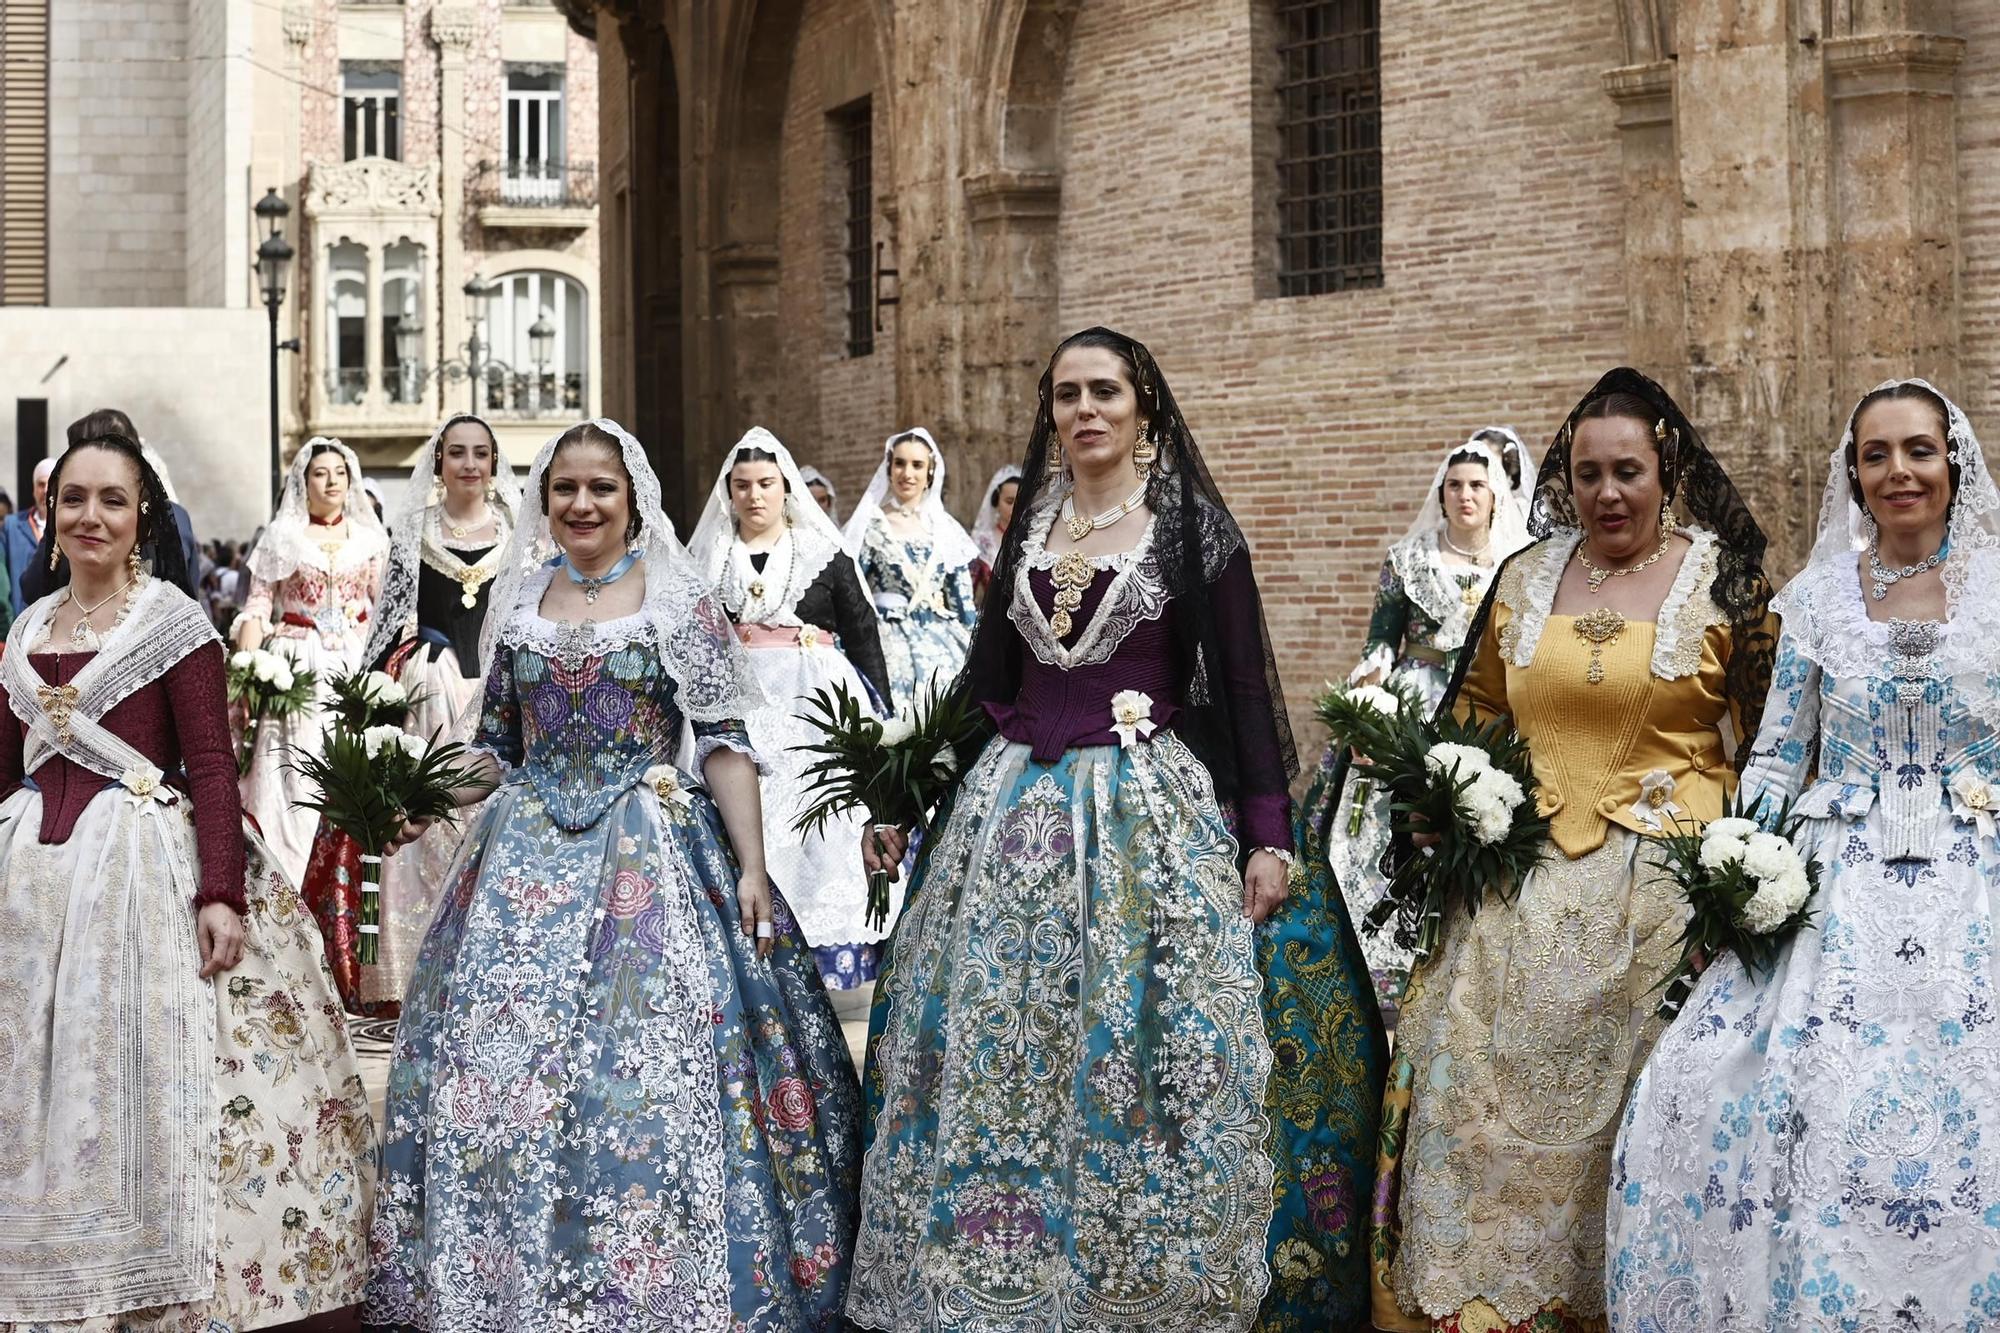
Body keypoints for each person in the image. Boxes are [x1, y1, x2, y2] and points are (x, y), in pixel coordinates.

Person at [848, 328, 1386, 1332]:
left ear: (1143, 406)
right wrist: (904, 793)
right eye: (1065, 395)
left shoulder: (1189, 533)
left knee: (1131, 1034)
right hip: (1007, 818)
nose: (1083, 410)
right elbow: (989, 683)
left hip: (1143, 813)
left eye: (1103, 391)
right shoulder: (1033, 523)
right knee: (1006, 1040)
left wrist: (1266, 834)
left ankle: (1131, 1264)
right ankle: (995, 1265)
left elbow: (1238, 684)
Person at [364, 419, 861, 1330]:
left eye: (600, 488)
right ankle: (506, 1270)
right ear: (543, 500)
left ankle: (652, 1273)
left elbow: (721, 741)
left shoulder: (676, 599)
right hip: (520, 859)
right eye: (564, 489)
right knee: (505, 1075)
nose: (582, 504)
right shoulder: (518, 602)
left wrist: (752, 867)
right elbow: (496, 750)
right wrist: (423, 794)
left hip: (650, 849)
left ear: (633, 499)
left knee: (639, 1070)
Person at [1369, 368, 1778, 1333]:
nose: (1607, 492)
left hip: (1660, 897)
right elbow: (1471, 710)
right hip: (1516, 885)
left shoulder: (1726, 582)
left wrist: (1743, 870)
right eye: (1588, 472)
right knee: (1472, 1096)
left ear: (1665, 469)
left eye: (1627, 470)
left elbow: (1768, 740)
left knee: (1637, 1118)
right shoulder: (1525, 575)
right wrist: (1451, 794)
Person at [1606, 380, 2000, 1328]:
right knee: (1712, 1089)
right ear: (1854, 476)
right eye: (1875, 455)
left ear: (1954, 462)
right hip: (1836, 874)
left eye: (1917, 450)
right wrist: (1739, 876)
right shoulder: (1821, 600)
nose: (1897, 471)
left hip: (1977, 875)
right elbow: (1780, 752)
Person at [0, 429, 373, 1330]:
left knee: (140, 1066)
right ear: (49, 516)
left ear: (143, 521)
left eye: (113, 501)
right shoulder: (25, 627)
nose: (91, 516)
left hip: (142, 875)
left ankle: (155, 1277)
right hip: (30, 879)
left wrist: (222, 891)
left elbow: (212, 767)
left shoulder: (173, 621)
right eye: (73, 499)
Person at [298, 413, 519, 1015]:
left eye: (480, 453)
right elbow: (388, 619)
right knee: (420, 827)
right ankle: (410, 969)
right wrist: (367, 701)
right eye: (457, 453)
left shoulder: (520, 532)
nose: (469, 464)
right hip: (430, 690)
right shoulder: (414, 530)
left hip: (497, 691)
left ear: (494, 463)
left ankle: (486, 962)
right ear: (440, 463)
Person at [1305, 436, 1531, 1019]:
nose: (1464, 495)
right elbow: (1381, 639)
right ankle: (1371, 945)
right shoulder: (1408, 559)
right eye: (1453, 485)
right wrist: (1370, 690)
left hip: (1486, 710)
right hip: (1418, 697)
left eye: (1476, 485)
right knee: (1390, 821)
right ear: (1441, 493)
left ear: (1497, 495)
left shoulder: (1519, 567)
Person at [689, 427, 895, 990]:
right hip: (741, 707)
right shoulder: (707, 559)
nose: (754, 496)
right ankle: (755, 955)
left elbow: (864, 635)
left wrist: (885, 726)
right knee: (750, 826)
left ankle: (836, 962)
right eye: (742, 485)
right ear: (728, 492)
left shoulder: (823, 555)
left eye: (766, 484)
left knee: (821, 829)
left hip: (815, 706)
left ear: (786, 489)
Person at [232, 436, 388, 883]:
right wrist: (246, 664)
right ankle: (286, 878)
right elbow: (260, 605)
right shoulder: (283, 537)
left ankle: (343, 880)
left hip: (354, 663)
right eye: (321, 473)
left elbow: (385, 609)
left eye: (339, 472)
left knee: (350, 767)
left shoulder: (370, 538)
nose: (331, 481)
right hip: (295, 664)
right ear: (303, 482)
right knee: (293, 772)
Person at [842, 428, 979, 715]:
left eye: (917, 465)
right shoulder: (871, 526)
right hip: (888, 639)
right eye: (900, 463)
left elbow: (961, 601)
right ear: (889, 468)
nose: (907, 473)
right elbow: (851, 594)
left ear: (930, 472)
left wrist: (977, 647)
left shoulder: (946, 529)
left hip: (942, 638)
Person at [3, 457, 54, 616]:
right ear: (33, 489)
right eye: (40, 484)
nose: (45, 490)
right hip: (19, 621)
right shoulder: (11, 526)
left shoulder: (68, 528)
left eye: (50, 483)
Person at [967, 463, 1021, 605]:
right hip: (992, 620)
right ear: (996, 502)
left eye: (1020, 501)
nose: (1015, 508)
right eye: (1009, 501)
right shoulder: (982, 542)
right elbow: (967, 589)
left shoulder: (1035, 537)